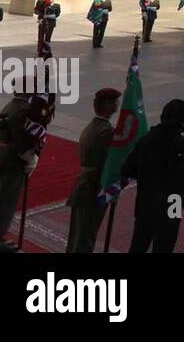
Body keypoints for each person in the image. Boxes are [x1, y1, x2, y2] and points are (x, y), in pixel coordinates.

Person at [0, 85, 53, 253]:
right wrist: (29, 158)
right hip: (12, 161)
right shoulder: (22, 109)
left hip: (2, 158)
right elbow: (22, 138)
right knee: (4, 204)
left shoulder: (12, 105)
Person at [122, 98, 184, 254]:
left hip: (146, 203)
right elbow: (178, 173)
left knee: (139, 245)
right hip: (172, 205)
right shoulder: (181, 144)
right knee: (165, 246)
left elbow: (128, 168)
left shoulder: (147, 139)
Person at [65, 87, 120, 253]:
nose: (117, 105)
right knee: (86, 237)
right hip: (93, 190)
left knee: (78, 235)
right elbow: (106, 164)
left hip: (84, 186)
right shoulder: (106, 132)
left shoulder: (93, 126)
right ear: (107, 105)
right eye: (114, 102)